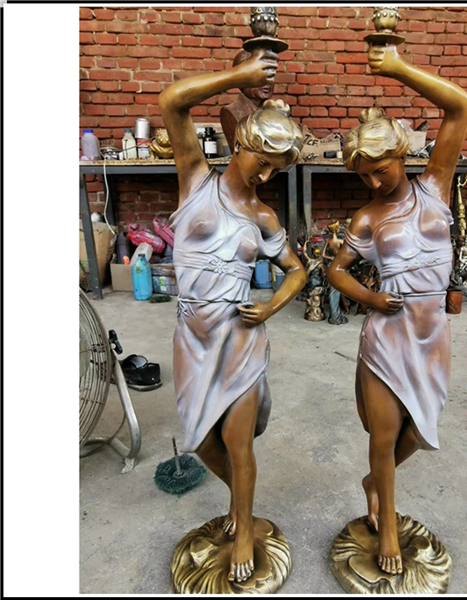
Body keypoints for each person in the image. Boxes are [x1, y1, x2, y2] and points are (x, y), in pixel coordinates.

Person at [158, 48, 306, 584]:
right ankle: (239, 505)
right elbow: (173, 102)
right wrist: (239, 76)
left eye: (275, 170)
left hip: (241, 338)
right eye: (261, 161)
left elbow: (297, 271)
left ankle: (244, 526)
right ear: (240, 142)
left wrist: (269, 307)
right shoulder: (196, 180)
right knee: (201, 439)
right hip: (193, 337)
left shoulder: (263, 215)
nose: (264, 175)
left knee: (239, 443)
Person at [328, 43, 467, 576]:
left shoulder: (435, 187)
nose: (373, 182)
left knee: (421, 429)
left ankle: (375, 481)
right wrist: (370, 298)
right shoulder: (367, 218)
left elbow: (459, 107)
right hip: (387, 337)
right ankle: (386, 523)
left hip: (432, 335)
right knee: (383, 434)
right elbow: (335, 271)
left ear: (401, 156)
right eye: (363, 175)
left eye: (380, 170)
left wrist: (398, 69)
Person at [219, 49, 274, 152]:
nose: (267, 82)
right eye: (258, 76)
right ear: (241, 80)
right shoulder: (231, 113)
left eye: (270, 76)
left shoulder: (275, 113)